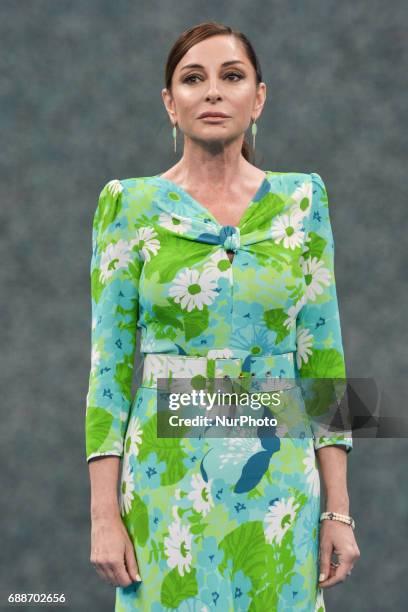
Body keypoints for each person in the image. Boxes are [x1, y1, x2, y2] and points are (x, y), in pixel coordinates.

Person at [85, 20, 360, 611]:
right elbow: (108, 372)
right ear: (170, 103)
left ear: (258, 96)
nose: (212, 91)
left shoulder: (302, 201)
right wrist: (103, 514)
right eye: (193, 78)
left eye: (231, 76)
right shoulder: (128, 206)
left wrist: (338, 510)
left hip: (280, 489)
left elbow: (323, 357)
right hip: (165, 493)